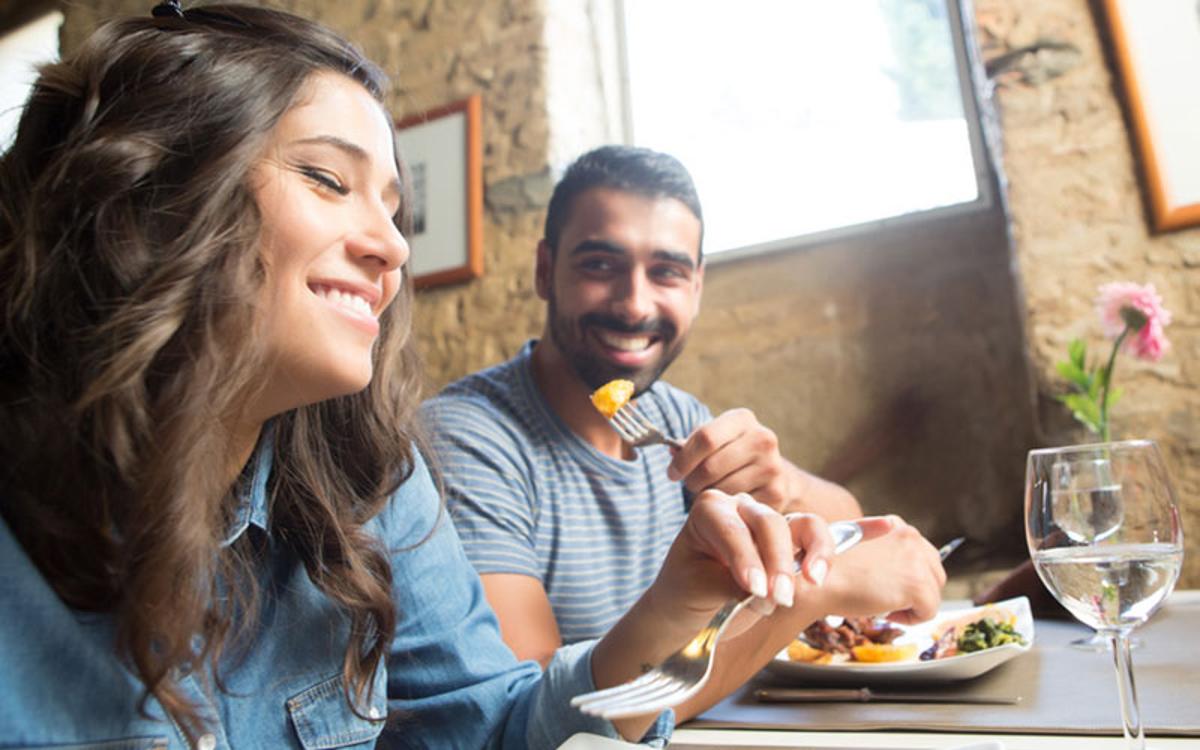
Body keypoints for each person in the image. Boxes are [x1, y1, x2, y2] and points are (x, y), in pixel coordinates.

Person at [0, 4, 941, 748]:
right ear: (153, 198)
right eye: (329, 180)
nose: (388, 247)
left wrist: (681, 604)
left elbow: (500, 730)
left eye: (395, 207)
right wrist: (804, 599)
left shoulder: (369, 481)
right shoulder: (463, 441)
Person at [420, 145, 946, 719]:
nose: (633, 304)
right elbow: (539, 715)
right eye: (600, 265)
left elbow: (848, 522)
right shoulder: (469, 439)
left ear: (696, 287)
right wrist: (813, 593)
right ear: (546, 271)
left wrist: (783, 484)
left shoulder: (674, 419)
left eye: (666, 272)